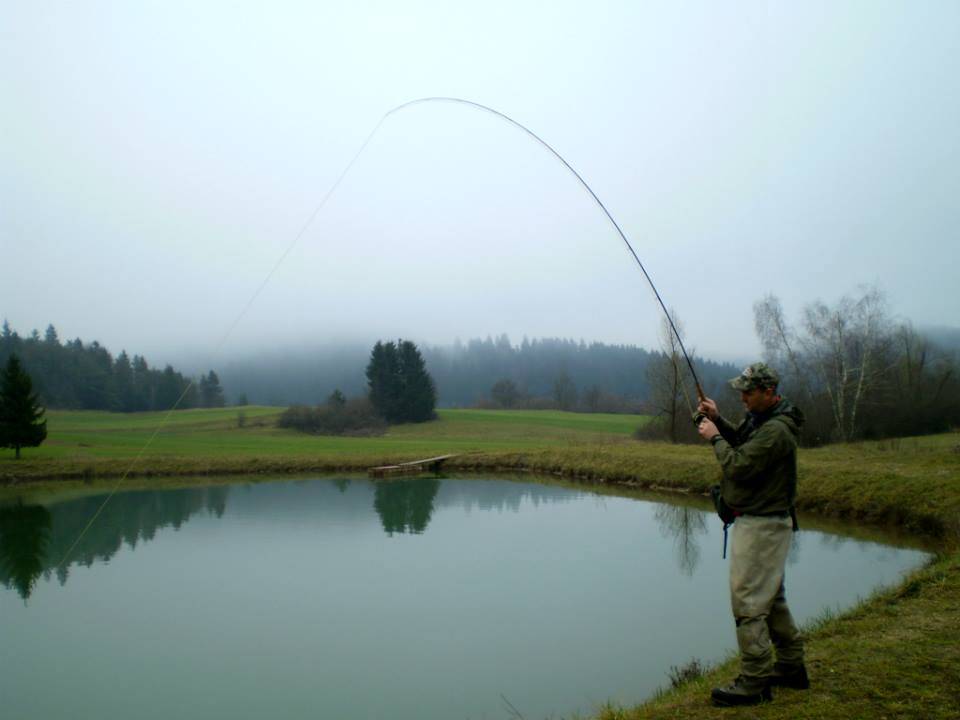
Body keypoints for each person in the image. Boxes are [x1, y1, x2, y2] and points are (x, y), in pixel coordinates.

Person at [696, 362, 810, 706]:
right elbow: (745, 445)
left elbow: (739, 465)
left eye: (748, 392)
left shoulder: (776, 431)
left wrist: (714, 437)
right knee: (771, 599)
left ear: (768, 392)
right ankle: (790, 667)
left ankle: (755, 682)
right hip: (763, 522)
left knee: (747, 602)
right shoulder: (764, 421)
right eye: (741, 392)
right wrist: (718, 420)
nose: (743, 398)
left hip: (762, 525)